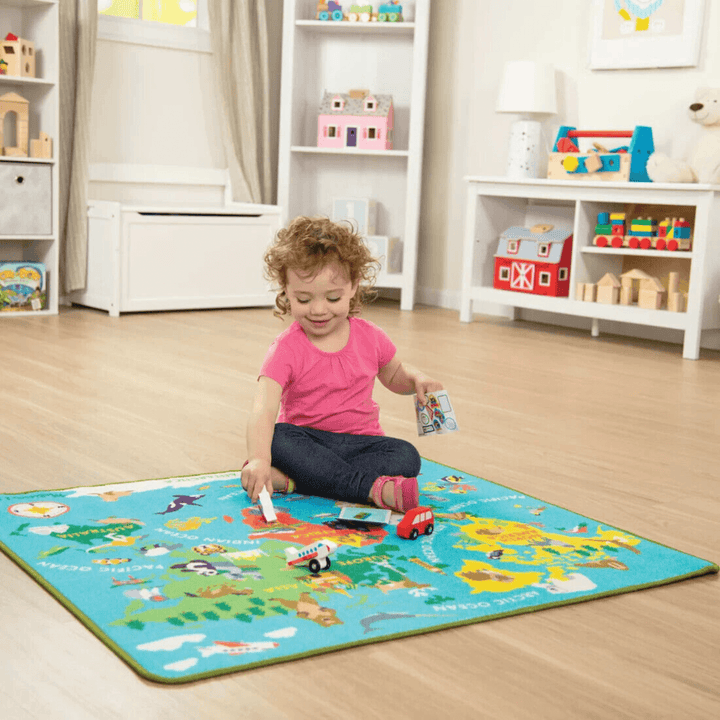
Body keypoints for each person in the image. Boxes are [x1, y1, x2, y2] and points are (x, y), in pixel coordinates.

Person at [242, 215, 444, 512]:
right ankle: (370, 490)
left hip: (361, 444)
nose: (319, 310)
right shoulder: (285, 348)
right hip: (308, 442)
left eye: (333, 298)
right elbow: (264, 408)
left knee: (407, 456)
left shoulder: (371, 337)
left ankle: (302, 481)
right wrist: (259, 458)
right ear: (285, 290)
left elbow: (394, 374)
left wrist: (416, 379)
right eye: (304, 299)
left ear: (353, 287)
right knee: (279, 438)